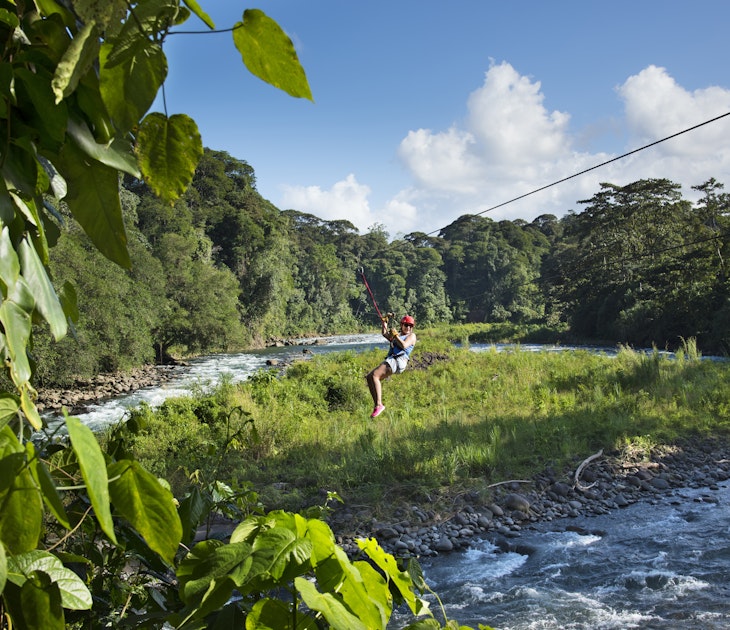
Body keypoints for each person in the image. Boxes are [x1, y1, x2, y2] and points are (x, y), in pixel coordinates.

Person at [366, 315, 417, 418]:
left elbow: (404, 345)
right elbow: (385, 333)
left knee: (375, 376)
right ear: (402, 325)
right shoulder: (397, 336)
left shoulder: (412, 336)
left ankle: (379, 404)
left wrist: (395, 336)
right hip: (393, 360)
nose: (408, 328)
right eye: (406, 325)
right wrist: (384, 322)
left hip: (398, 360)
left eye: (410, 326)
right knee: (369, 377)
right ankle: (377, 405)